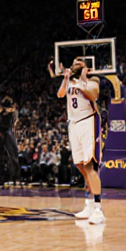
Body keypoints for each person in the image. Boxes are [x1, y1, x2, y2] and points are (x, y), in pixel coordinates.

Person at [54, 59, 104, 224]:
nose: (74, 63)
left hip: (89, 121)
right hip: (73, 124)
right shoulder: (70, 81)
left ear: (85, 67)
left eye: (78, 62)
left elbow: (93, 95)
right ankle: (89, 204)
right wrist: (66, 78)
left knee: (90, 166)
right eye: (73, 62)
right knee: (80, 165)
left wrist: (82, 79)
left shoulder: (92, 80)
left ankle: (98, 209)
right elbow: (60, 94)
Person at [0, 93, 19, 186]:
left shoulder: (9, 110)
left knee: (11, 156)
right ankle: (0, 179)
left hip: (6, 132)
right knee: (0, 157)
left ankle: (13, 178)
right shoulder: (7, 109)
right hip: (1, 133)